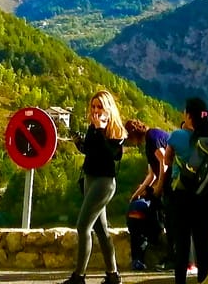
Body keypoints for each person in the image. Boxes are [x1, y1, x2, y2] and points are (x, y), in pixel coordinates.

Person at [62, 89, 127, 284]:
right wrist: (78, 143)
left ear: (108, 108)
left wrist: (100, 130)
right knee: (101, 230)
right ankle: (113, 275)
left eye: (100, 106)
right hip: (90, 179)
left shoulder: (115, 130)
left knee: (83, 227)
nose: (96, 110)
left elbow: (113, 155)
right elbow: (90, 151)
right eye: (93, 106)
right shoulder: (92, 127)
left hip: (104, 182)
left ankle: (79, 277)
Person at [155, 97, 208, 284]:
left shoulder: (178, 135)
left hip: (181, 197)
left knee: (182, 244)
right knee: (202, 243)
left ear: (188, 116)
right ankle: (203, 279)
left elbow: (167, 160)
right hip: (205, 196)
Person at [124, 118, 172, 268]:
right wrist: (136, 195)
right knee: (137, 208)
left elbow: (164, 162)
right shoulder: (149, 141)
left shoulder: (152, 136)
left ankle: (169, 256)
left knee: (165, 220)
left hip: (172, 184)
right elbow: (151, 175)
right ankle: (139, 258)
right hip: (166, 184)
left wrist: (158, 189)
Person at [126, 195, 161, 270]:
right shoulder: (151, 202)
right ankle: (139, 261)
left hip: (131, 215)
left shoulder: (135, 201)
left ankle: (136, 261)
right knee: (143, 238)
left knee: (135, 237)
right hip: (142, 214)